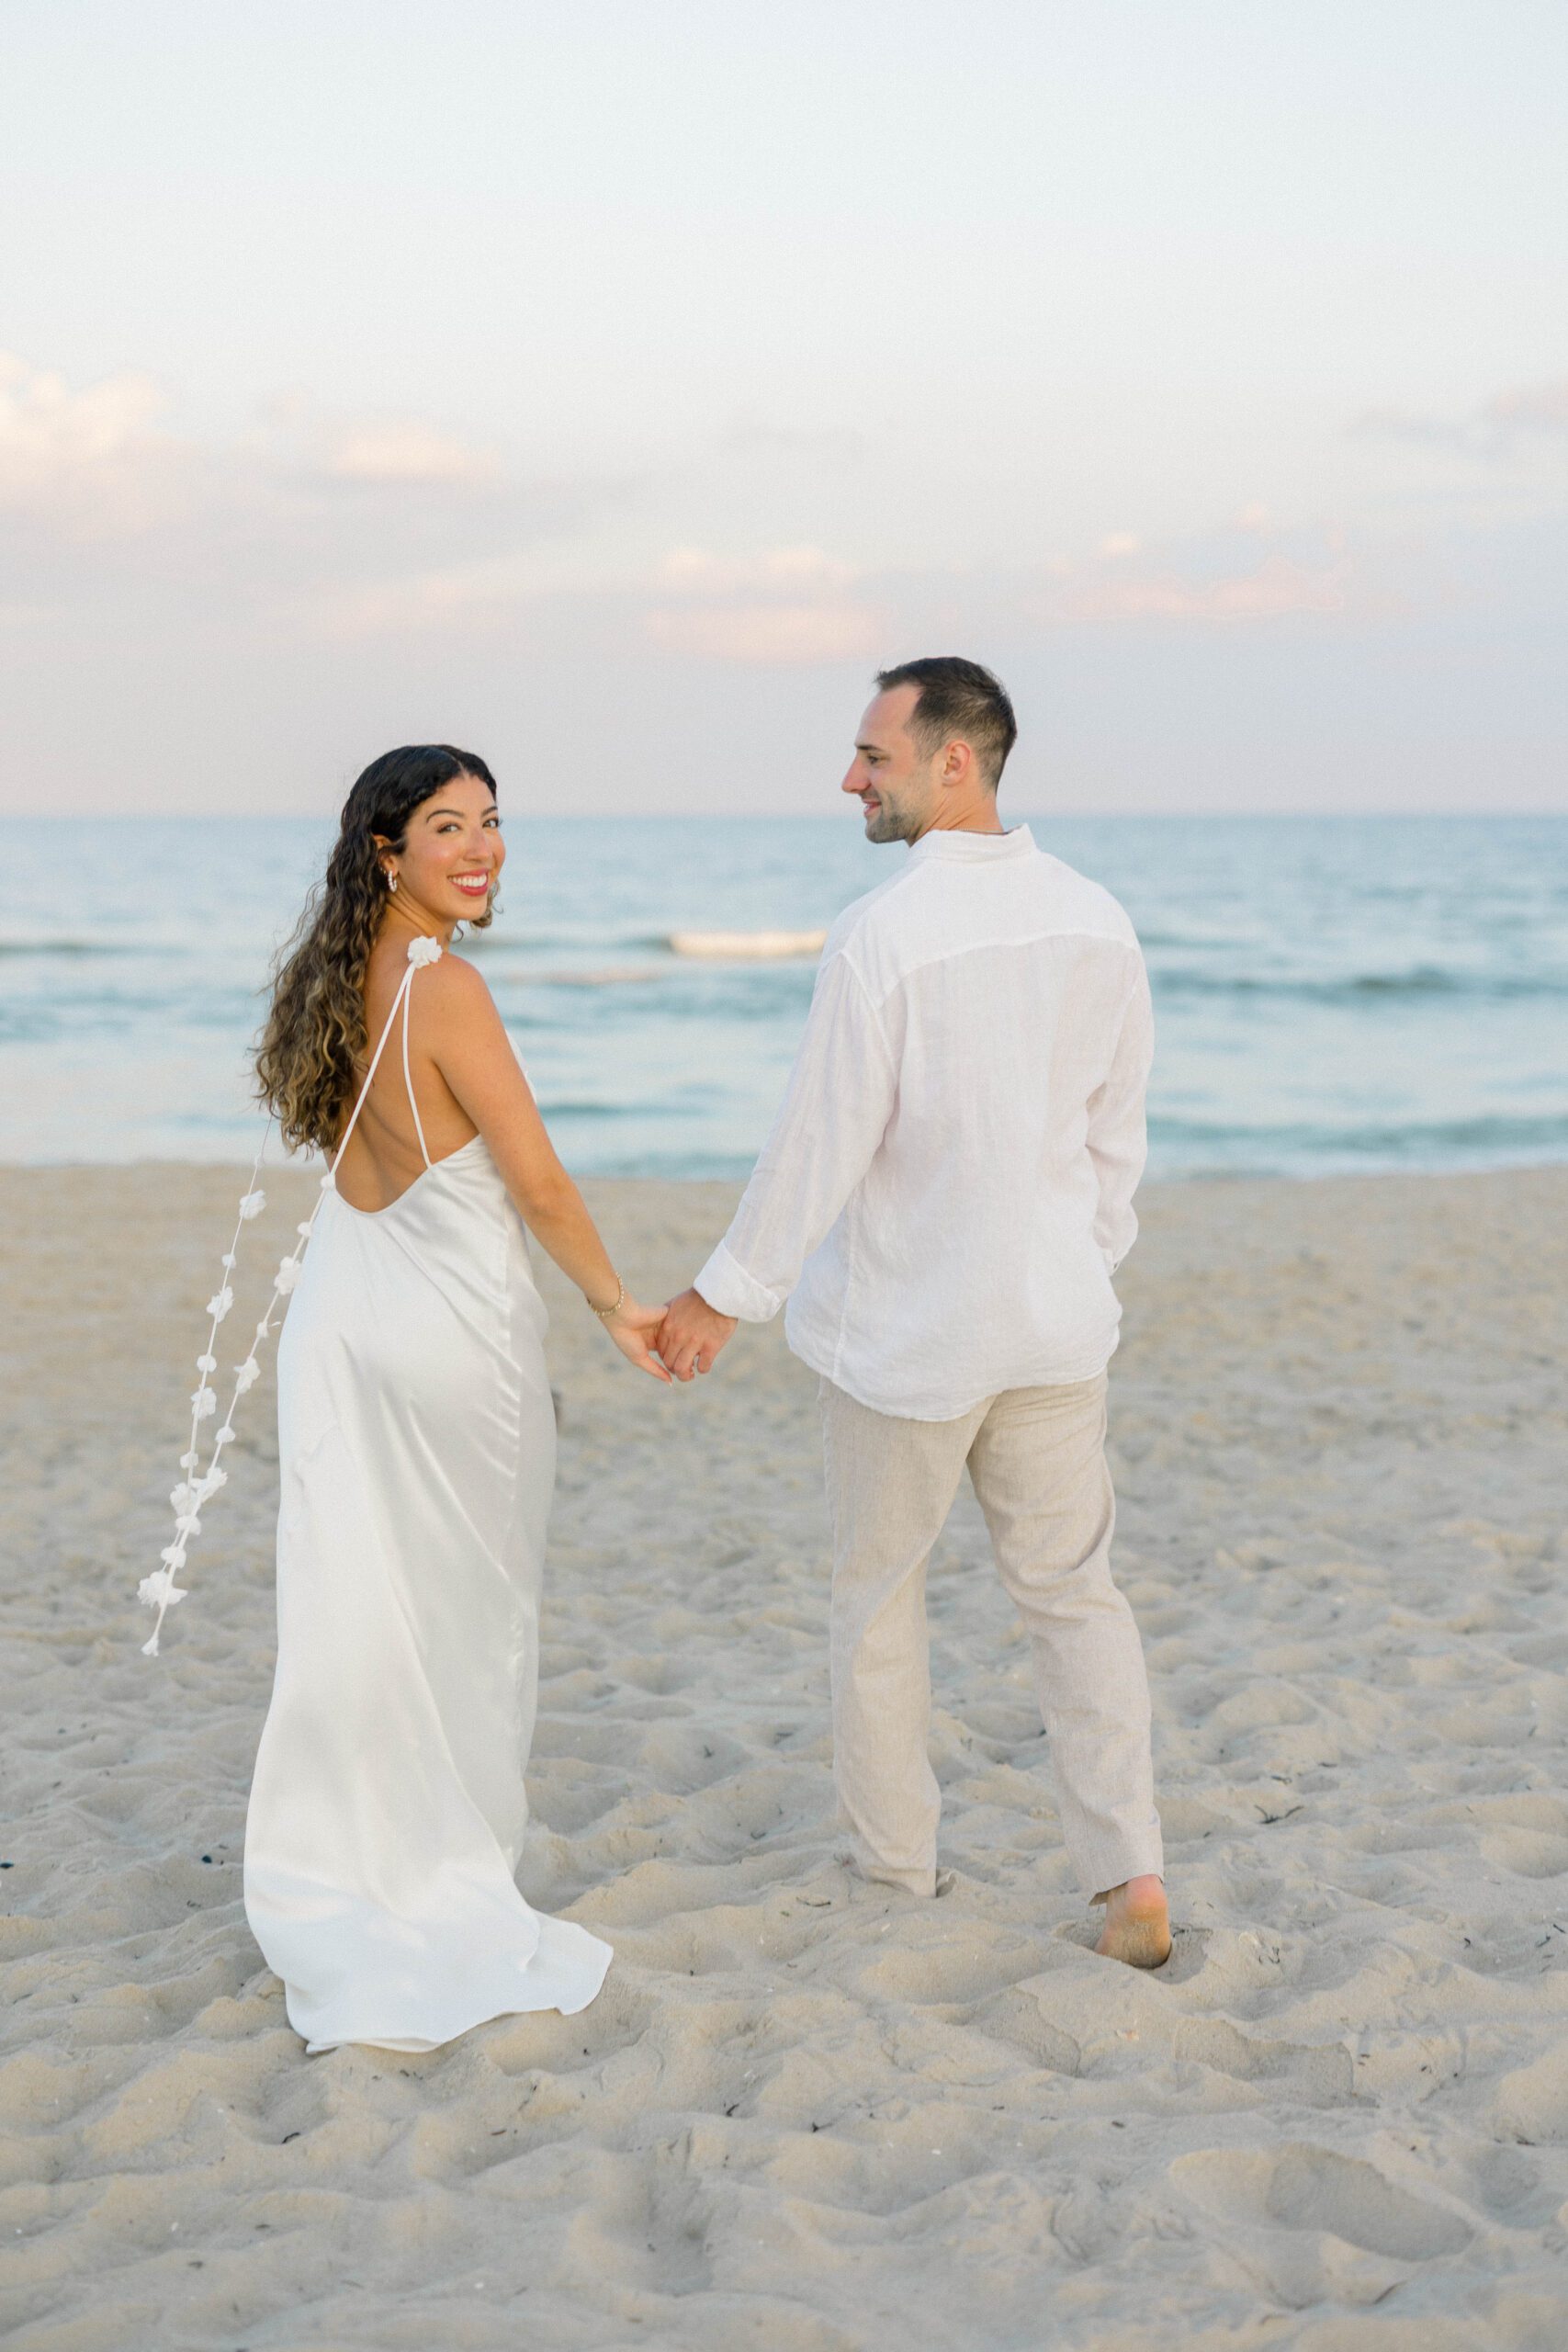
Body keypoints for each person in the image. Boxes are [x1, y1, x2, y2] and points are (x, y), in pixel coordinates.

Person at [658, 660, 1169, 1968]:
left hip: (913, 1343)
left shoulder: (882, 935)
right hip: (1057, 1326)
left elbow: (821, 1143)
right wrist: (1081, 1266)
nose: (850, 778)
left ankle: (895, 1871)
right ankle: (1131, 1880)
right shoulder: (1100, 919)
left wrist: (727, 1297)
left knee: (879, 1600)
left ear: (956, 760)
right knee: (1075, 1601)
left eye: (872, 754)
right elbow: (1117, 1145)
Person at [244, 743, 669, 2051]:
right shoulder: (453, 994)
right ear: (389, 852)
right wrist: (619, 1308)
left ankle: (362, 1851)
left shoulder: (337, 979)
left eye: (493, 823)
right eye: (447, 827)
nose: (481, 849)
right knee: (474, 1609)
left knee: (370, 1602)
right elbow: (536, 1186)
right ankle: (435, 1866)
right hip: (448, 1342)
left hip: (346, 1322)